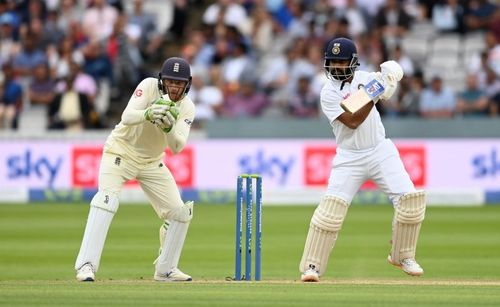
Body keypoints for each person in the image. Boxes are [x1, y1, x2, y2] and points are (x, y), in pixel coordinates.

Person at [299, 37, 426, 282]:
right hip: (349, 157)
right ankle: (312, 266)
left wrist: (388, 82)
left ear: (353, 62)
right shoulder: (328, 92)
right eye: (332, 61)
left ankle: (402, 256)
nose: (336, 66)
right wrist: (373, 94)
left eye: (341, 61)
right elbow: (353, 120)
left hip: (380, 151)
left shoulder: (367, 79)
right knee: (330, 211)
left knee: (410, 201)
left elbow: (387, 90)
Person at [75, 57, 196, 282]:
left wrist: (169, 128)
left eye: (179, 83)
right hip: (121, 152)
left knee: (180, 213)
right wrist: (149, 114)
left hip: (152, 162)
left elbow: (177, 147)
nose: (174, 87)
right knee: (106, 201)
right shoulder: (148, 85)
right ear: (162, 81)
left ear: (187, 84)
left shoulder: (187, 107)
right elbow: (127, 116)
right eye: (170, 81)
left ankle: (166, 269)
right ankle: (86, 266)